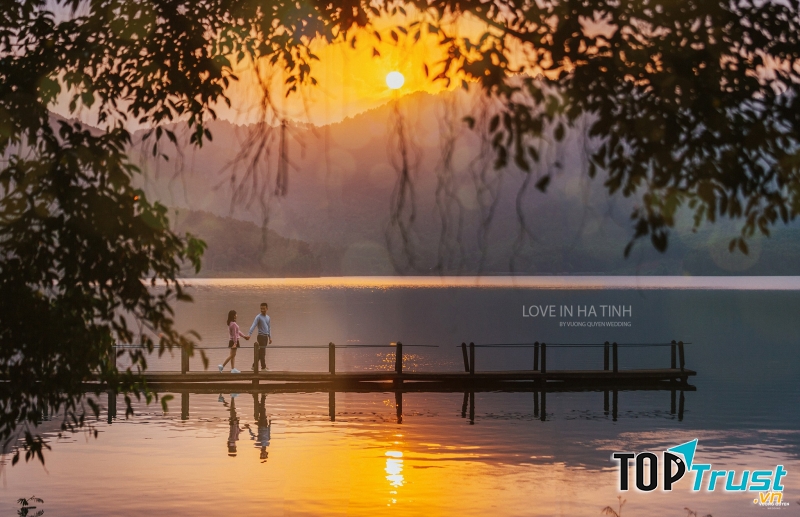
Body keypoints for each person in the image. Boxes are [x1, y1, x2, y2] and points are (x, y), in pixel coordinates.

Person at [248, 302, 272, 371]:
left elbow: (269, 328)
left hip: (265, 337)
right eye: (261, 309)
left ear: (267, 309)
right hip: (261, 336)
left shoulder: (268, 318)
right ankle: (263, 367)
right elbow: (253, 325)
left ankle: (254, 366)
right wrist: (249, 334)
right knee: (263, 352)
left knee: (260, 352)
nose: (262, 310)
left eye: (264, 309)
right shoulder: (258, 317)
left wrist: (270, 337)